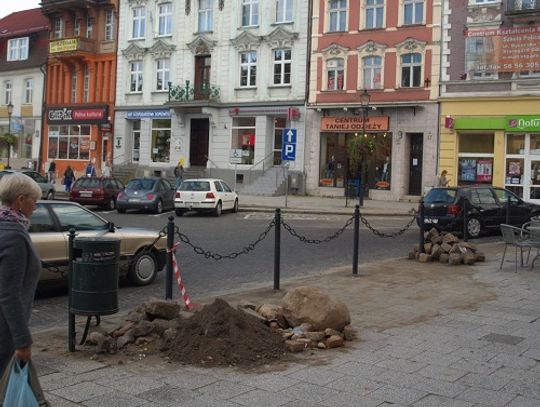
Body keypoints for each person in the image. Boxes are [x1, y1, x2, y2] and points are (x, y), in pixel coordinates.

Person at [0, 173, 42, 376]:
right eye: (35, 200)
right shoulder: (14, 235)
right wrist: (22, 341)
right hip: (4, 331)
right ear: (21, 200)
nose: (36, 206)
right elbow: (9, 294)